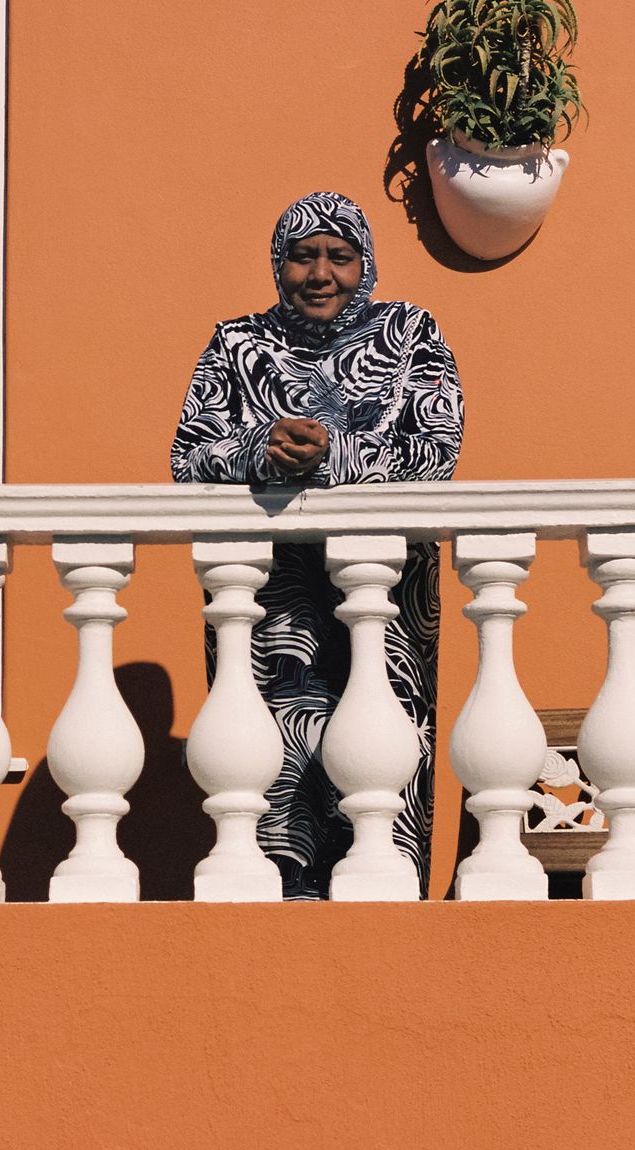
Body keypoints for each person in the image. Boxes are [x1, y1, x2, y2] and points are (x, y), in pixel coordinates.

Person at [170, 190, 463, 898]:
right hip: (272, 615)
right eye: (303, 256)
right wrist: (261, 447)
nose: (321, 272)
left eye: (339, 254)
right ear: (280, 264)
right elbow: (188, 455)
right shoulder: (235, 345)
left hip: (386, 604)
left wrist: (331, 452)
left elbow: (437, 450)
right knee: (273, 792)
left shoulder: (411, 333)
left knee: (381, 784)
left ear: (364, 261)